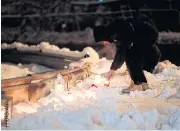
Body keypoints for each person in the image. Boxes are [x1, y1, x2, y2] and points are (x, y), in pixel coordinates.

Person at [93, 14, 161, 93]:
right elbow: (121, 50)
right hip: (148, 35)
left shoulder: (116, 32)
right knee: (131, 54)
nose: (104, 42)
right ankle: (142, 83)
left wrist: (113, 69)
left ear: (103, 35)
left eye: (102, 40)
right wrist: (113, 69)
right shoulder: (113, 31)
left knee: (130, 55)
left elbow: (121, 52)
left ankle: (137, 84)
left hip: (147, 33)